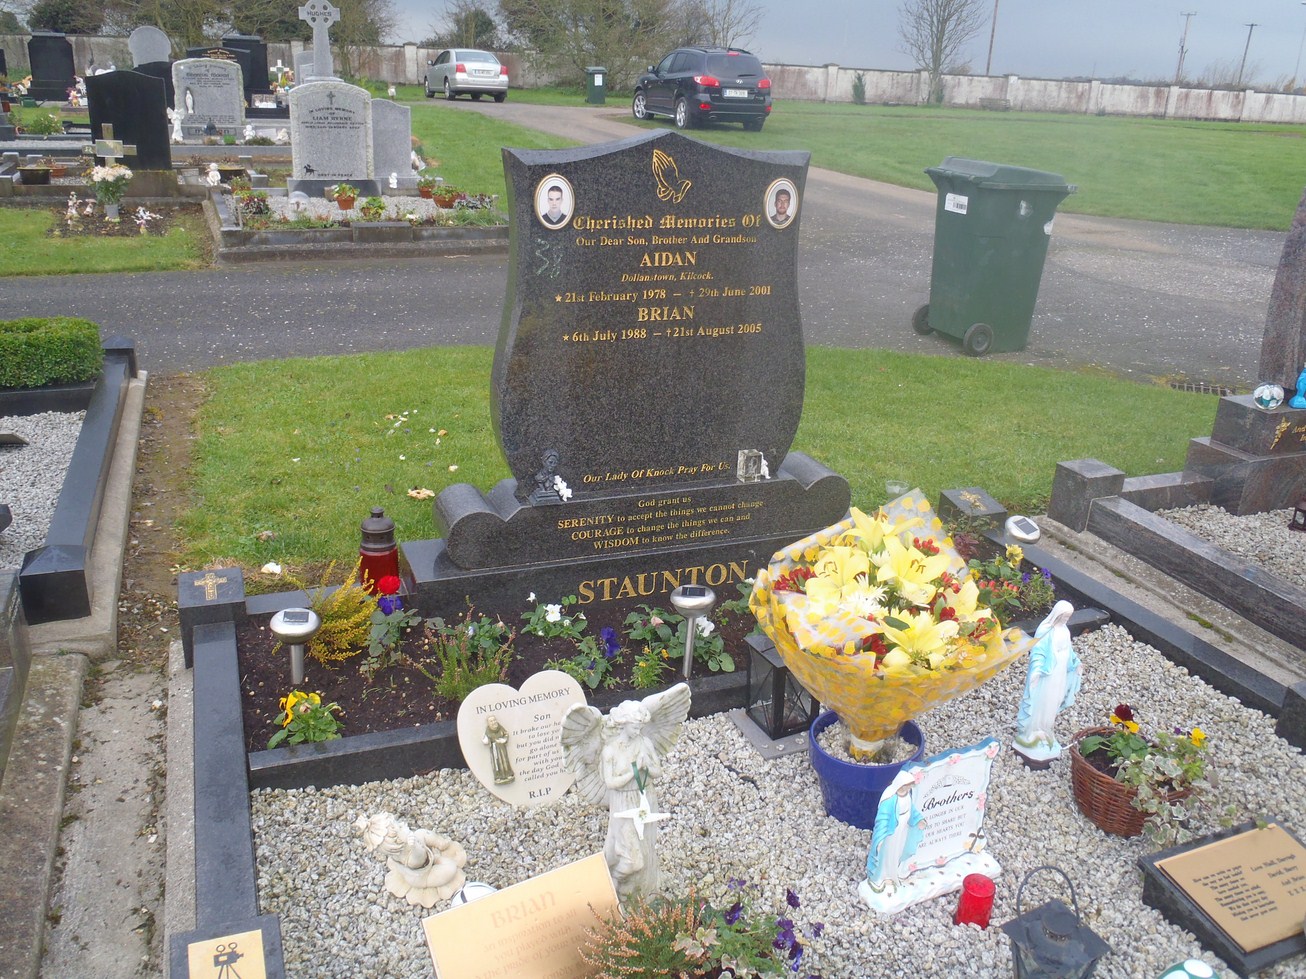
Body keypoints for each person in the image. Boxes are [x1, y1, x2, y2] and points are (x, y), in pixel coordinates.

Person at [1014, 601, 1080, 764]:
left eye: (1068, 617)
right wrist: (1036, 671)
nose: (1066, 619)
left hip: (1059, 673)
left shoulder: (1065, 630)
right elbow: (1038, 651)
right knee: (1042, 701)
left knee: (1053, 701)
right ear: (1057, 614)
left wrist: (1076, 663)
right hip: (1047, 674)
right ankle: (1033, 731)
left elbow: (1069, 651)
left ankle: (1045, 729)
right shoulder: (1045, 630)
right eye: (1064, 616)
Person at [483, 715, 514, 784]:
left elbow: (506, 734)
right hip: (494, 748)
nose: (493, 722)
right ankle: (498, 777)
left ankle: (508, 774)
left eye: (494, 720)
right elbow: (487, 737)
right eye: (491, 721)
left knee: (505, 761)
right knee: (496, 763)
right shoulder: (488, 730)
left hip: (501, 748)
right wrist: (486, 740)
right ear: (488, 723)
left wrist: (504, 740)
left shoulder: (500, 727)